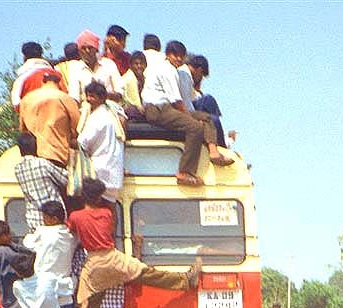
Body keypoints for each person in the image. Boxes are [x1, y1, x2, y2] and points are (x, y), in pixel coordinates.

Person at [66, 177, 202, 308]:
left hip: (94, 264)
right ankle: (185, 280)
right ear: (98, 198)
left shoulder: (75, 216)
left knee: (84, 303)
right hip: (113, 258)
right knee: (149, 274)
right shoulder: (106, 213)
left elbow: (71, 230)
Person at [141, 40, 234, 187]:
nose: (178, 59)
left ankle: (213, 152)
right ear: (168, 55)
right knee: (195, 127)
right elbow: (176, 101)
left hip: (167, 108)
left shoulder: (176, 71)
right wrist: (190, 117)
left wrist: (192, 114)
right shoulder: (167, 70)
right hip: (157, 110)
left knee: (208, 118)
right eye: (175, 55)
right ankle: (185, 172)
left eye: (181, 56)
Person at [77, 81, 126, 204]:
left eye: (92, 96)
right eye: (87, 96)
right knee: (111, 205)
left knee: (100, 206)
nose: (89, 99)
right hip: (112, 168)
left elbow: (82, 142)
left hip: (101, 169)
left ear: (102, 98)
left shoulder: (98, 117)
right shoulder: (111, 112)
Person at [19, 70, 80, 165]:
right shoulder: (67, 99)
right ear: (60, 83)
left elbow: (23, 131)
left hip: (34, 156)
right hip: (59, 156)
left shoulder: (26, 100)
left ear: (42, 82)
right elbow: (77, 128)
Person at [14, 133, 68, 233]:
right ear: (35, 147)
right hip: (54, 218)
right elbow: (65, 179)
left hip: (34, 220)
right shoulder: (42, 163)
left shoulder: (18, 169)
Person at [68, 29, 123, 104]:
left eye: (90, 48)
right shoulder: (75, 69)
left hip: (109, 107)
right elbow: (74, 98)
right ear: (79, 52)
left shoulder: (109, 65)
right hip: (86, 110)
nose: (87, 51)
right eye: (83, 48)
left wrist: (102, 95)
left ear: (96, 49)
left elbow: (120, 93)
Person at [11, 41, 66, 112]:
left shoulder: (21, 78)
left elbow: (16, 103)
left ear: (24, 57)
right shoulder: (58, 74)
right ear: (41, 56)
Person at [121, 51, 147, 119]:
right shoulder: (130, 78)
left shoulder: (144, 78)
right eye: (136, 64)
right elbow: (136, 102)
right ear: (131, 65)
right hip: (127, 109)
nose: (139, 66)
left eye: (141, 63)